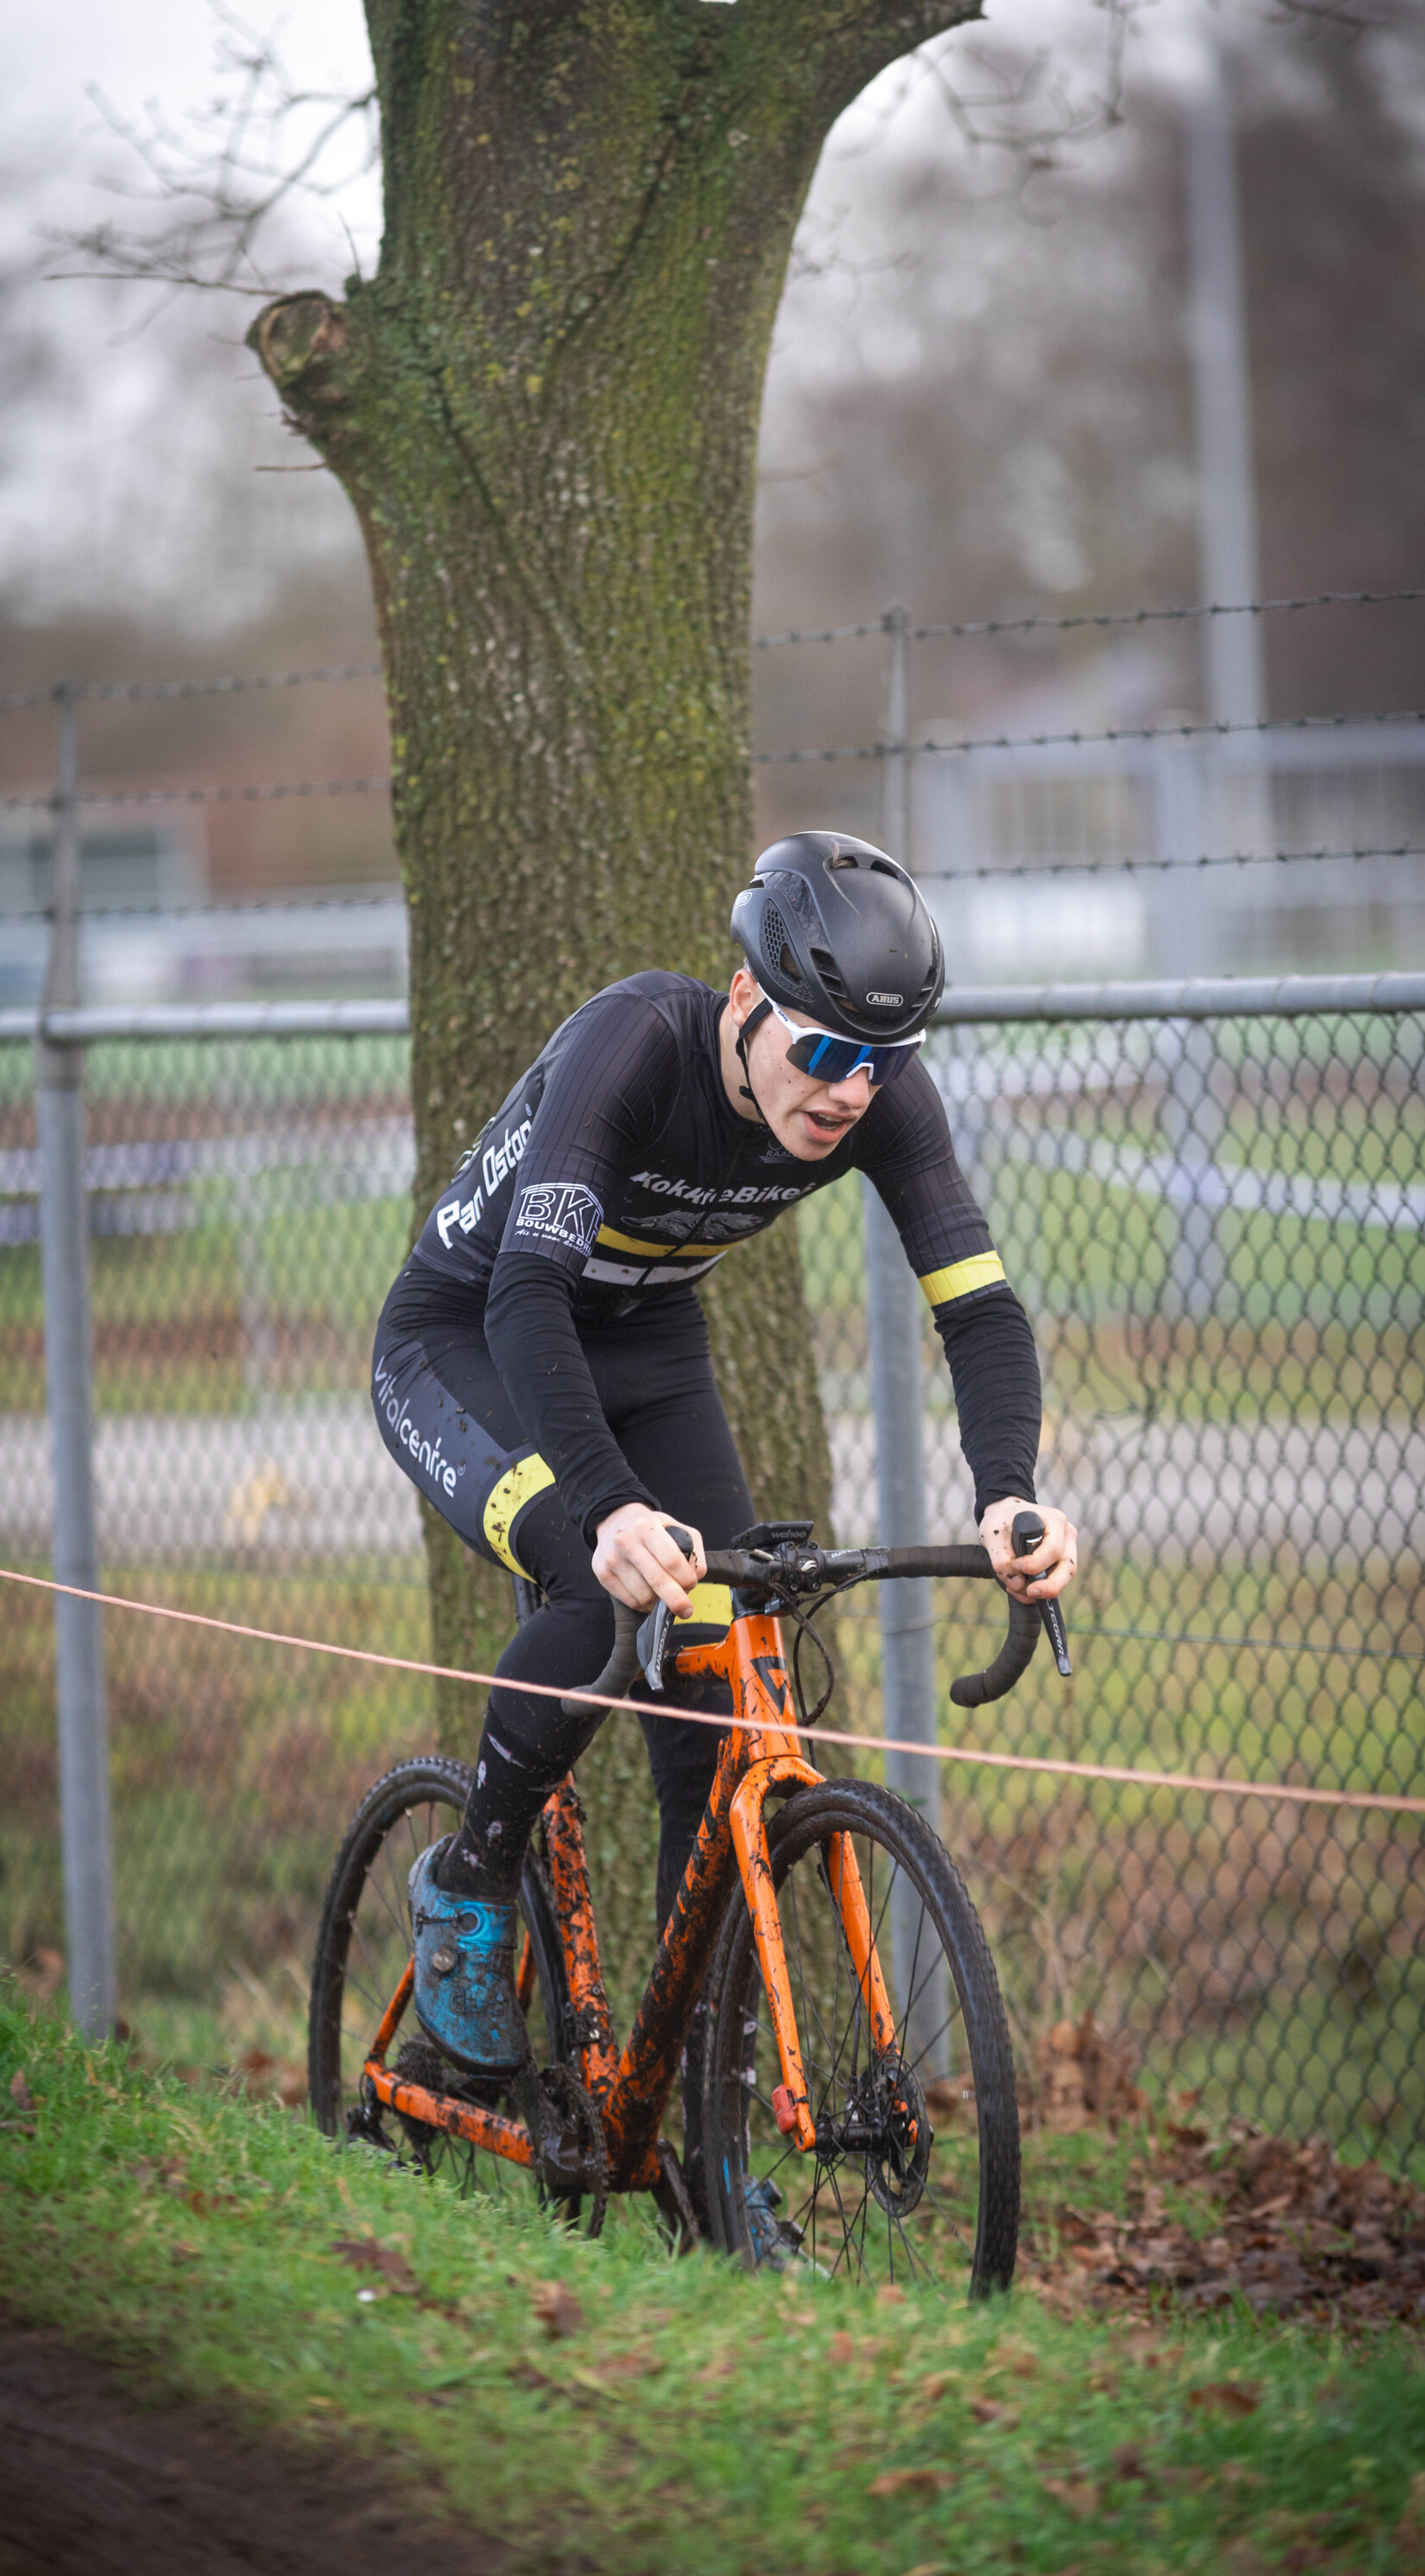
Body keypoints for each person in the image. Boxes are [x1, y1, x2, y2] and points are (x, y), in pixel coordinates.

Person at [372, 832, 1080, 2121]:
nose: (849, 1091)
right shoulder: (633, 1041)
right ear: (748, 1001)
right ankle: (469, 1876)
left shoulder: (877, 1097)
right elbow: (528, 1294)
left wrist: (1006, 1489)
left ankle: (691, 2114)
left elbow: (979, 1311)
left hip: (651, 1348)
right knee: (605, 1593)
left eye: (884, 1062)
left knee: (721, 1678)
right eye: (821, 1052)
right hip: (468, 1344)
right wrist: (604, 1505)